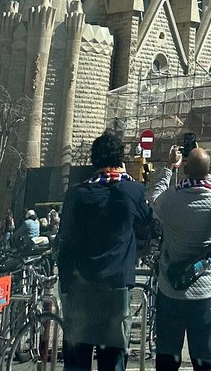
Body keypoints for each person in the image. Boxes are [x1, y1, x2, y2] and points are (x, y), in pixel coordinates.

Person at [58, 131, 153, 371]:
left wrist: (65, 285)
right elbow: (148, 224)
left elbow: (65, 241)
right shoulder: (133, 191)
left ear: (94, 160)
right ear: (120, 159)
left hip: (80, 285)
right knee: (113, 359)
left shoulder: (76, 194)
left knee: (77, 360)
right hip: (116, 285)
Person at [151, 142, 211, 371]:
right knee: (203, 356)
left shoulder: (171, 199)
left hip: (171, 289)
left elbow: (154, 198)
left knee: (168, 354)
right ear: (210, 170)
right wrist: (201, 161)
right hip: (204, 291)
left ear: (185, 170)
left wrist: (169, 167)